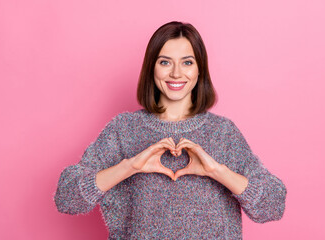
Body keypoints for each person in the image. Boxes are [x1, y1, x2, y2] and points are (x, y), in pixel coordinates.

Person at [54, 21, 287, 239]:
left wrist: (217, 171)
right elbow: (66, 198)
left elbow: (272, 206)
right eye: (165, 62)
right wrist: (129, 167)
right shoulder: (123, 129)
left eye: (187, 62)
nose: (176, 73)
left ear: (199, 70)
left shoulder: (222, 133)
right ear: (152, 68)